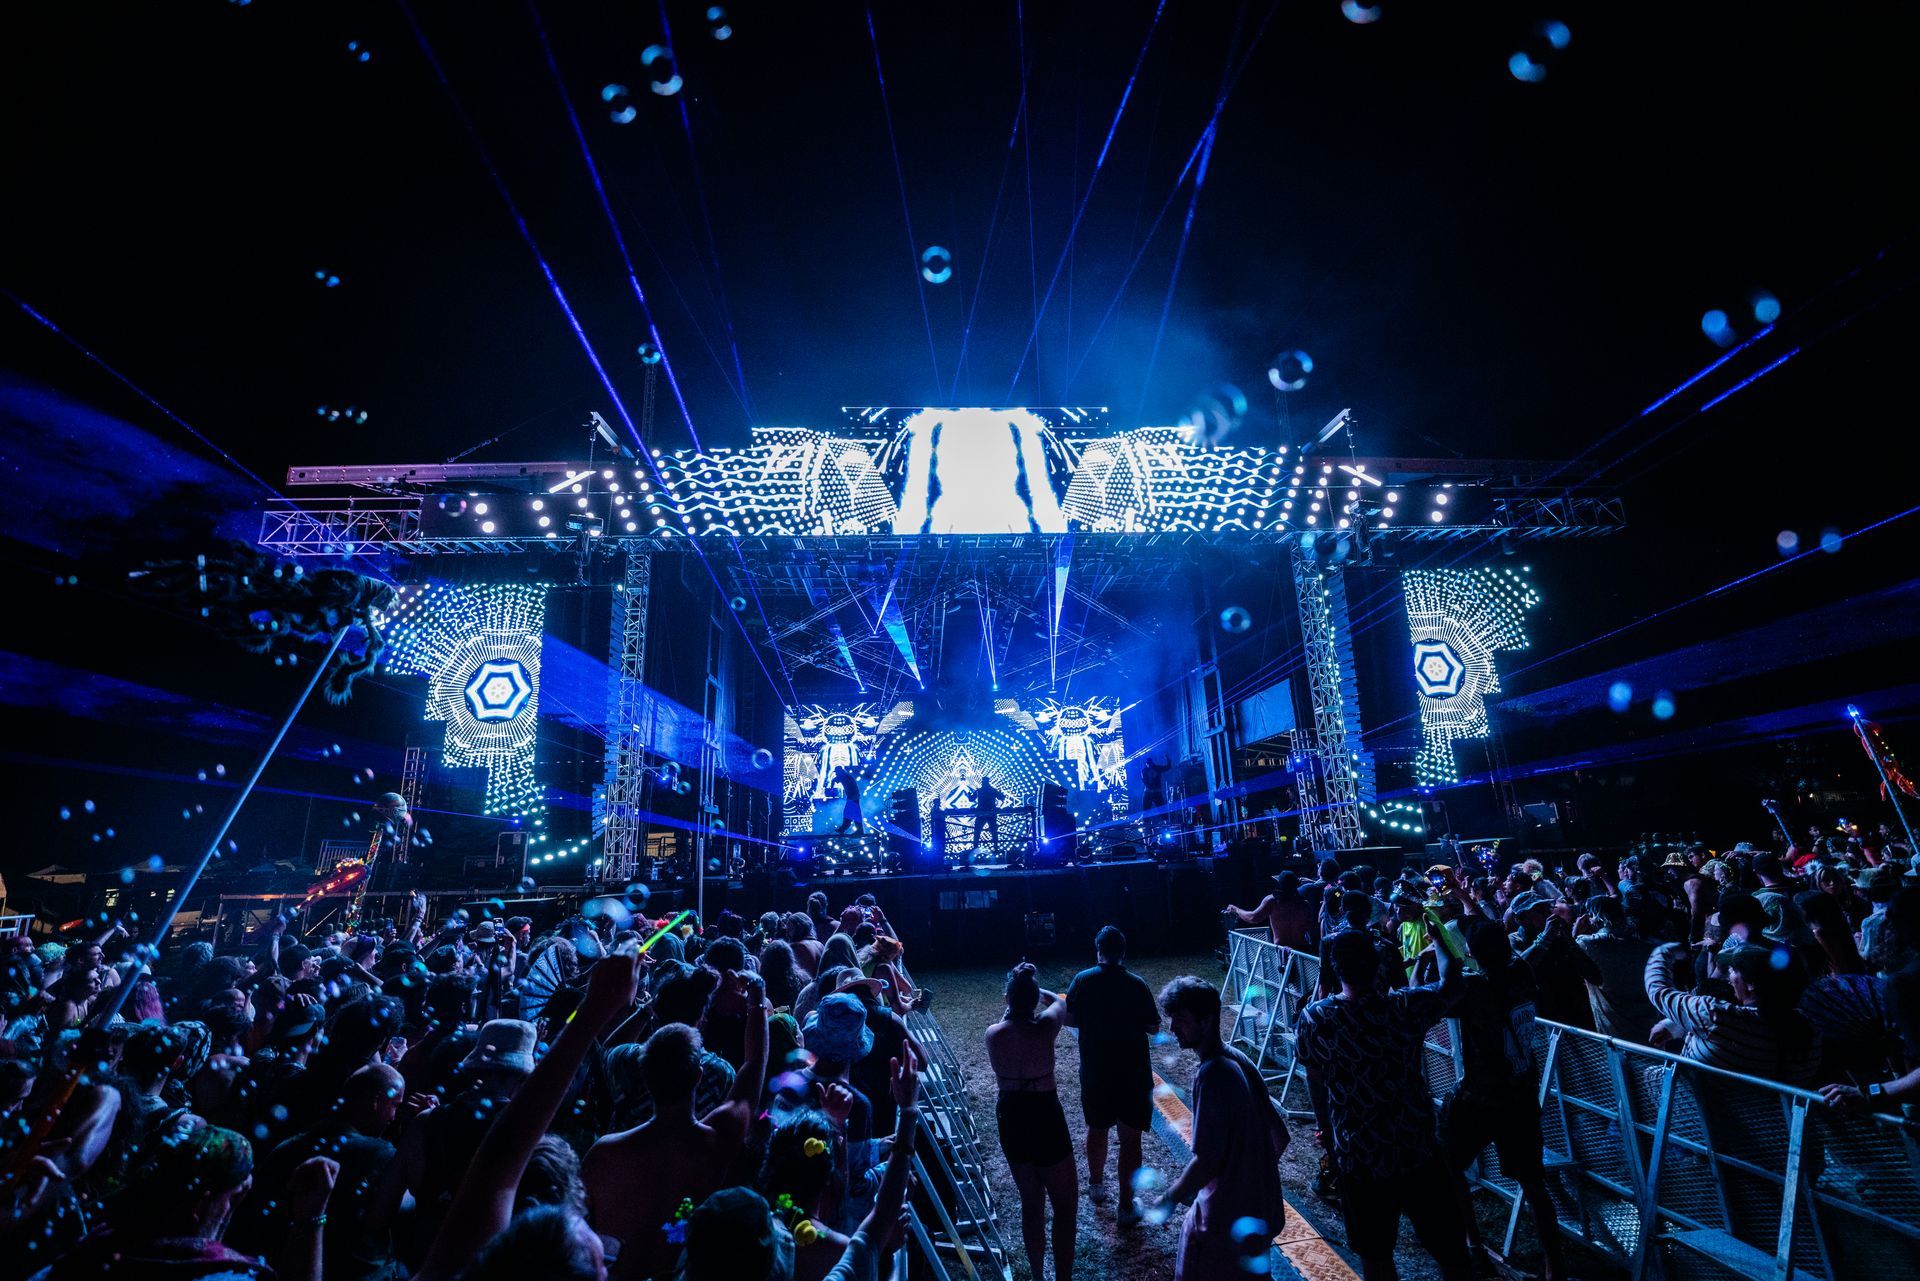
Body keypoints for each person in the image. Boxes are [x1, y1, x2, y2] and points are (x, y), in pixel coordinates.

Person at [1294, 930, 1472, 1281]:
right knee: (1451, 1251)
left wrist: (1327, 1130)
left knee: (1375, 1255)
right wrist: (1438, 939)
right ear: (1377, 967)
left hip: (1358, 1153)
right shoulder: (1406, 1007)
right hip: (1416, 1147)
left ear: (1335, 969)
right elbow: (1453, 984)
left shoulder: (1317, 1018)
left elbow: (1315, 1078)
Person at [1441, 919, 1566, 1281]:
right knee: (1533, 1182)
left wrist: (1440, 950)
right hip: (1522, 1096)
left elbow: (1430, 998)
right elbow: (1527, 953)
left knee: (1447, 1161)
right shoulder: (1523, 973)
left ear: (1474, 955)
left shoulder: (1474, 988)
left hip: (1481, 1097)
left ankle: (1473, 1246)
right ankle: (1554, 1267)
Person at [1149, 976, 1289, 1281]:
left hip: (1221, 1227)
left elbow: (1207, 1160)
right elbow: (1280, 1135)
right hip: (1260, 1216)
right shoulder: (1239, 1059)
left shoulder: (1211, 1074)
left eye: (1181, 1020)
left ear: (1208, 1019)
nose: (1173, 1029)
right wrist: (1252, 1182)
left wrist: (1170, 1197)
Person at [984, 963, 1077, 1281]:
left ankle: (1038, 1276)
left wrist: (1017, 985)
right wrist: (1037, 989)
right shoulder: (1045, 1028)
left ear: (1007, 998)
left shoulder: (994, 1035)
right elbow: (1059, 1003)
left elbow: (1008, 1016)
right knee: (1065, 1205)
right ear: (1033, 998)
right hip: (1044, 1112)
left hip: (1011, 1115)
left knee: (1031, 1201)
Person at [1064, 926, 1160, 1222]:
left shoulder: (1082, 980)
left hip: (1096, 1070)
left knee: (1097, 1128)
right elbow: (1153, 1026)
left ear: (1098, 950)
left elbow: (1069, 1016)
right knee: (1131, 1139)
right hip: (1133, 1072)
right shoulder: (1137, 984)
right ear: (1123, 952)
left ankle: (1096, 1184)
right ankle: (1126, 1205)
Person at [1644, 939, 1821, 1084]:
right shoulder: (1809, 1027)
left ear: (1751, 984)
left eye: (1734, 970)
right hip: (1771, 1122)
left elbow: (1658, 991)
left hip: (1701, 1120)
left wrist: (1664, 951)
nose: (1729, 977)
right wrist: (1675, 1025)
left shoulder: (1717, 1016)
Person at [1573, 895, 1660, 1043]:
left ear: (1593, 917)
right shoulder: (1644, 944)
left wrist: (1576, 932)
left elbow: (1572, 952)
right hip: (1646, 1016)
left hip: (1614, 1022)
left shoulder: (1588, 943)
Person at [1223, 873, 1318, 951]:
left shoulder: (1272, 901)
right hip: (1302, 951)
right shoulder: (1305, 905)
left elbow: (1253, 918)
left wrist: (1236, 910)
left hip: (1281, 950)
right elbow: (1311, 929)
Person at [967, 777, 1005, 855]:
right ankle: (996, 848)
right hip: (991, 813)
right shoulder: (992, 790)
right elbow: (1001, 798)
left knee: (977, 831)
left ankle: (975, 848)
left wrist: (969, 795)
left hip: (981, 813)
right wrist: (1001, 793)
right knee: (994, 831)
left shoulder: (979, 791)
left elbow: (971, 799)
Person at [832, 766, 865, 836]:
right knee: (853, 814)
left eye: (836, 772)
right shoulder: (845, 775)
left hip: (853, 797)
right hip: (854, 797)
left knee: (849, 813)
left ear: (839, 771)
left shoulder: (843, 776)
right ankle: (856, 830)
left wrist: (831, 789)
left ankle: (844, 829)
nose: (836, 774)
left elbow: (835, 780)